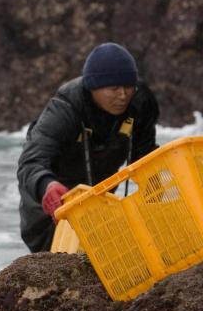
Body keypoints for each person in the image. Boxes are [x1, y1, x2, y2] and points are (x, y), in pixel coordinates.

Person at [17, 43, 159, 253]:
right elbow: (30, 162)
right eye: (113, 89)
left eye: (129, 86)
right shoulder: (64, 108)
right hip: (50, 203)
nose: (123, 95)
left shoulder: (140, 101)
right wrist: (47, 185)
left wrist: (159, 189)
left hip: (98, 199)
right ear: (93, 87)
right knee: (60, 263)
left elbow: (144, 155)